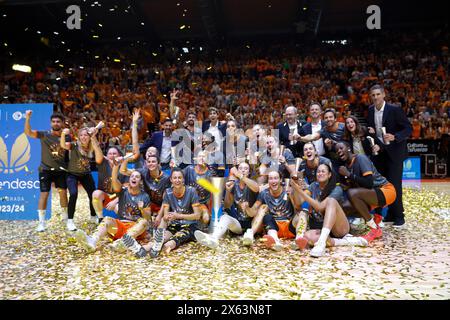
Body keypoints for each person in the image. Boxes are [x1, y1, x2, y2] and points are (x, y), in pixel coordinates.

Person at [290, 164, 368, 257]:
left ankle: (322, 243)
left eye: (323, 171)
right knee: (307, 236)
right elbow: (298, 203)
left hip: (338, 228)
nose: (320, 173)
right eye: (318, 171)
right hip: (321, 228)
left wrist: (300, 191)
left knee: (331, 201)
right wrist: (295, 188)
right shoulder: (313, 186)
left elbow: (320, 207)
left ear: (329, 175)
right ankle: (346, 242)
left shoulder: (336, 188)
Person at [74, 160, 151, 252]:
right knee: (107, 219)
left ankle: (123, 242)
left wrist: (142, 209)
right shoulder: (123, 191)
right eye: (132, 176)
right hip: (120, 227)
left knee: (143, 222)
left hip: (136, 231)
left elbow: (147, 218)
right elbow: (114, 180)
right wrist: (115, 167)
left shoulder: (145, 196)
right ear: (129, 179)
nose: (134, 178)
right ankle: (92, 241)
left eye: (137, 177)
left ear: (141, 181)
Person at [122, 168, 202, 258]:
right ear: (171, 180)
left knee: (168, 245)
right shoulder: (168, 192)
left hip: (189, 226)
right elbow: (166, 215)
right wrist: (165, 219)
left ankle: (158, 244)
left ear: (183, 179)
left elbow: (197, 216)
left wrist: (178, 215)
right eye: (175, 178)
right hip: (174, 225)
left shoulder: (191, 191)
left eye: (180, 178)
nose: (177, 180)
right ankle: (142, 249)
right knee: (160, 237)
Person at [366, 84, 412, 227]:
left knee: (395, 184)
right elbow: (371, 130)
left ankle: (399, 216)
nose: (375, 97)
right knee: (382, 184)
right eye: (373, 95)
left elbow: (408, 128)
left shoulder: (395, 109)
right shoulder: (370, 110)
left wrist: (395, 136)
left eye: (378, 94)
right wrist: (371, 132)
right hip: (379, 152)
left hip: (395, 152)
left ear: (384, 94)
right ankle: (390, 214)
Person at [335, 142, 397, 242]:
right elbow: (359, 186)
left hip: (386, 190)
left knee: (352, 193)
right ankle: (374, 218)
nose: (339, 151)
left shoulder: (360, 158)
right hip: (371, 195)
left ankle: (373, 228)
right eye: (337, 150)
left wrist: (349, 175)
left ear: (349, 148)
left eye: (341, 148)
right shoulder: (347, 165)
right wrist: (345, 185)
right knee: (344, 206)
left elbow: (369, 183)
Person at [194, 162, 259, 249]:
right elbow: (227, 205)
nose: (243, 170)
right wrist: (228, 191)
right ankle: (213, 238)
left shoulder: (252, 184)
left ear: (249, 172)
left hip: (251, 224)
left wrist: (239, 175)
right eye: (240, 168)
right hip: (238, 224)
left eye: (246, 168)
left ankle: (248, 236)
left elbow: (256, 188)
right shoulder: (234, 185)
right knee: (225, 217)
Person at [24, 110, 69, 232]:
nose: (55, 123)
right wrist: (27, 118)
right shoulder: (44, 134)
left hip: (61, 170)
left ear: (63, 123)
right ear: (50, 123)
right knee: (44, 194)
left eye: (58, 121)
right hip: (45, 169)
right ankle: (42, 223)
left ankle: (66, 219)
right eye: (53, 121)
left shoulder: (67, 136)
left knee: (63, 193)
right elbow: (28, 132)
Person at [242, 170, 304, 251]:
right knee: (263, 207)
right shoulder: (264, 193)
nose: (273, 181)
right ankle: (253, 235)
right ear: (268, 181)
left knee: (303, 213)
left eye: (276, 178)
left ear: (280, 180)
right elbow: (252, 212)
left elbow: (297, 209)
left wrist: (291, 195)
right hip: (273, 227)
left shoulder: (288, 190)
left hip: (289, 226)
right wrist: (247, 208)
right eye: (271, 179)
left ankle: (299, 239)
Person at [60, 126, 103, 231]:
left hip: (86, 174)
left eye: (86, 135)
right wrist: (63, 134)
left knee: (92, 194)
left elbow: (99, 154)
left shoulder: (91, 146)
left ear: (89, 137)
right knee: (73, 194)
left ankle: (93, 216)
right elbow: (62, 145)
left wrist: (95, 133)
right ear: (78, 137)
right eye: (81, 135)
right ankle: (70, 220)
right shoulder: (74, 145)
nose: (83, 137)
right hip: (72, 174)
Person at [91, 146, 127, 224]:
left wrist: (114, 201)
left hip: (119, 199)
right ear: (106, 156)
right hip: (106, 196)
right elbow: (97, 150)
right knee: (96, 194)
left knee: (121, 215)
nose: (112, 155)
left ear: (119, 156)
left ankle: (122, 225)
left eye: (114, 153)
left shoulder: (123, 168)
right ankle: (100, 219)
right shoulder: (102, 164)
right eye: (110, 154)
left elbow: (126, 190)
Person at [183, 150, 213, 227]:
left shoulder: (210, 174)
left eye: (204, 156)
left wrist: (210, 209)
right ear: (195, 158)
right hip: (186, 202)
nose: (202, 158)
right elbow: (177, 179)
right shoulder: (189, 169)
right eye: (200, 156)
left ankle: (200, 229)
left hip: (201, 203)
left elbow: (213, 193)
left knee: (206, 218)